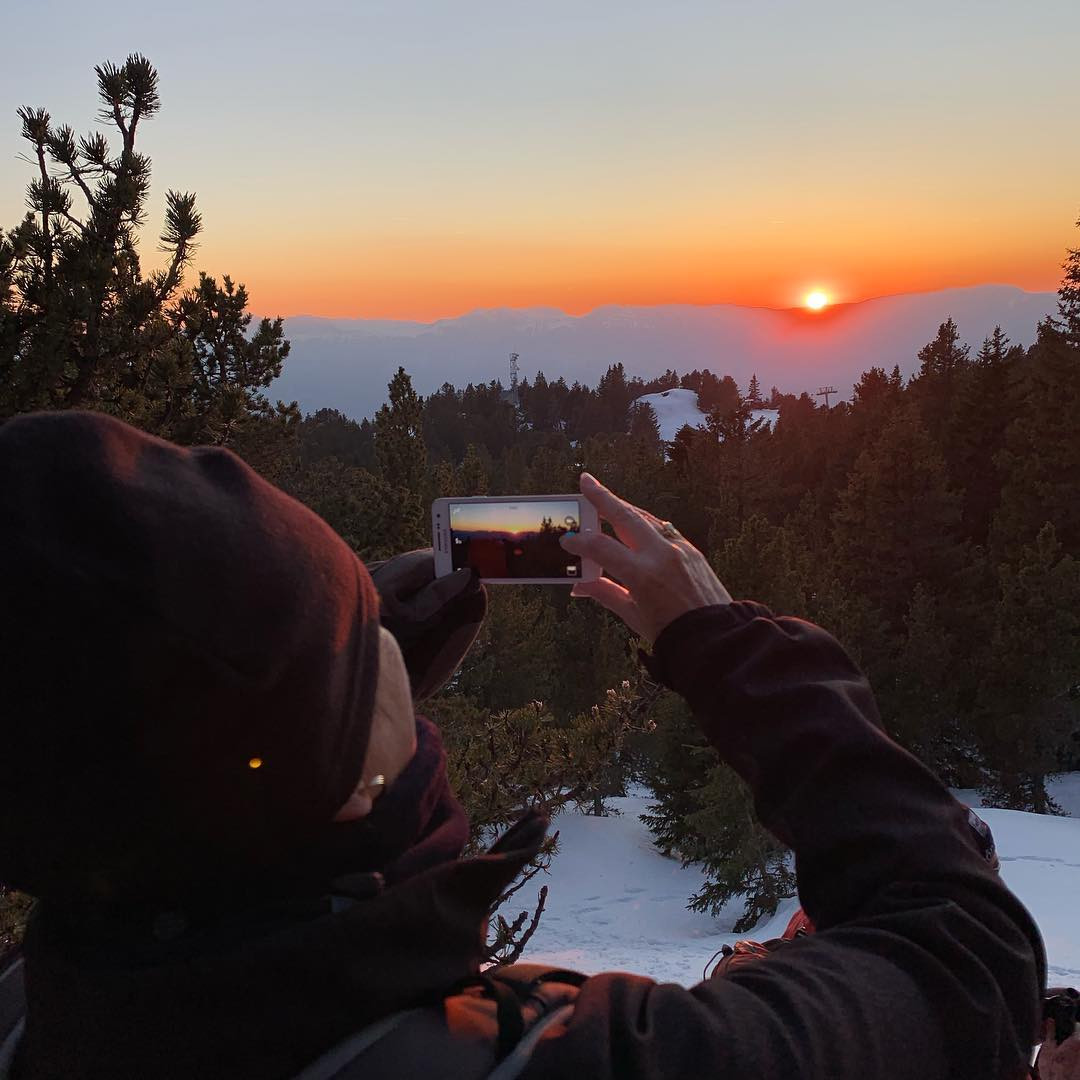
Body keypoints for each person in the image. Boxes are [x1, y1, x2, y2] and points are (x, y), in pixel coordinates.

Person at [0, 410, 1044, 1079]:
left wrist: (330, 648)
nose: (392, 660)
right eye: (369, 663)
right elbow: (966, 962)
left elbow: (176, 746)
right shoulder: (577, 1063)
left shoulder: (39, 1008)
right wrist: (724, 646)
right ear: (357, 785)